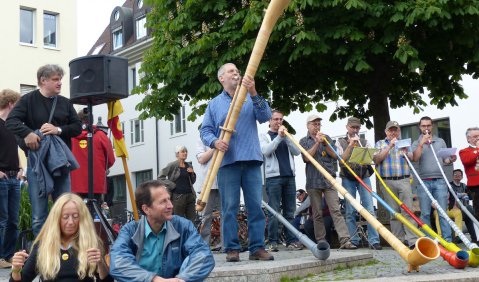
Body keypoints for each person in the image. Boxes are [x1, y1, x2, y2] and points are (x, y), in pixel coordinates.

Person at [200, 63, 273, 262]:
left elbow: (266, 116)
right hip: (228, 161)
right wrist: (215, 141)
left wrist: (253, 90)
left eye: (237, 71)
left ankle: (257, 248)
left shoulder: (250, 97)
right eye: (231, 71)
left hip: (251, 159)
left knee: (255, 207)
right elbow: (205, 130)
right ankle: (232, 248)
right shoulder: (214, 104)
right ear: (221, 78)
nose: (236, 73)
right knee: (229, 208)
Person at [6, 64, 82, 236]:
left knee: (63, 209)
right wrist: (28, 134)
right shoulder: (28, 100)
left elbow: (77, 127)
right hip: (37, 164)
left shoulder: (65, 102)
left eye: (60, 79)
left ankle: (64, 252)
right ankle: (42, 256)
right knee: (39, 215)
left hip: (61, 163)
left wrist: (58, 130)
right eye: (55, 79)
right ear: (43, 80)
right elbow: (11, 122)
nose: (60, 83)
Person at [109, 180, 214, 282]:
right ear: (146, 209)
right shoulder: (130, 231)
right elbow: (118, 262)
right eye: (163, 201)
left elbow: (203, 255)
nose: (170, 206)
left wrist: (181, 279)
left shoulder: (183, 226)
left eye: (169, 199)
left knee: (192, 260)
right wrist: (154, 279)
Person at [10, 193, 111, 281]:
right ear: (56, 219)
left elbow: (107, 280)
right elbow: (23, 279)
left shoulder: (91, 243)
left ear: (82, 219)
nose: (71, 222)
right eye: (65, 217)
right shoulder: (43, 246)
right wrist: (16, 269)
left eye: (75, 216)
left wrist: (100, 263)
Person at [299, 114, 357, 249]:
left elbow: (336, 156)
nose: (317, 127)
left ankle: (345, 240)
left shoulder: (328, 138)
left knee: (336, 210)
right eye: (314, 124)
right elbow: (306, 158)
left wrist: (325, 143)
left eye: (319, 124)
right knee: (317, 213)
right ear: (308, 126)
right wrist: (317, 143)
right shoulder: (303, 141)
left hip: (329, 180)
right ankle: (321, 241)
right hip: (313, 181)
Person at [335, 117, 381, 250]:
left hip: (363, 176)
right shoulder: (340, 142)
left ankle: (374, 240)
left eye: (357, 128)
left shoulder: (365, 142)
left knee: (369, 209)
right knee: (350, 210)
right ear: (347, 127)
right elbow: (341, 161)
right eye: (352, 127)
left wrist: (365, 152)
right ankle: (353, 240)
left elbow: (372, 158)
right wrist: (350, 146)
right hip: (347, 178)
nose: (355, 130)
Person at [259, 110, 303, 251]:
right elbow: (266, 151)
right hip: (273, 178)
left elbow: (297, 151)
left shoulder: (287, 135)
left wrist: (287, 138)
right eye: (275, 119)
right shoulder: (264, 136)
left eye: (280, 119)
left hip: (290, 176)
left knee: (290, 211)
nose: (278, 122)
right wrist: (278, 138)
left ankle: (291, 240)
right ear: (269, 121)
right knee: (274, 211)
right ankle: (273, 241)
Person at [373, 121, 418, 249]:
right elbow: (376, 160)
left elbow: (412, 158)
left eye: (395, 130)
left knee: (408, 211)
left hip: (404, 180)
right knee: (394, 212)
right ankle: (398, 241)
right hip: (387, 181)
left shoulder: (405, 143)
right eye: (390, 130)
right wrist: (389, 147)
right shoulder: (380, 144)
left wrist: (406, 152)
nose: (393, 133)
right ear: (386, 132)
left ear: (399, 131)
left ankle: (412, 240)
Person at [412, 116, 455, 242]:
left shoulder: (440, 141)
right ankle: (428, 240)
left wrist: (451, 159)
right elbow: (415, 158)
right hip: (423, 182)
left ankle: (447, 240)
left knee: (443, 212)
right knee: (425, 213)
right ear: (420, 127)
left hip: (440, 180)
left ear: (432, 126)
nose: (426, 128)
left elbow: (445, 160)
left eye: (428, 125)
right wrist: (422, 143)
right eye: (423, 126)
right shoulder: (416, 142)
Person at [0, 89, 23, 269]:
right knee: (2, 219)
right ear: (11, 104)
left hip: (15, 178)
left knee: (13, 221)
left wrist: (21, 167)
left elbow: (13, 150)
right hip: (2, 178)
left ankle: (7, 256)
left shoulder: (13, 126)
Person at [71, 109, 115, 200]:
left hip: (75, 184)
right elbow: (110, 159)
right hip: (96, 184)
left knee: (78, 212)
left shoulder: (70, 136)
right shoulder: (101, 136)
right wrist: (103, 167)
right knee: (94, 211)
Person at [196, 138, 222, 250]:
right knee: (206, 215)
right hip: (208, 184)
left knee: (225, 214)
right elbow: (201, 159)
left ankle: (226, 244)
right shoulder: (201, 140)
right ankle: (204, 244)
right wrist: (214, 146)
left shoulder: (223, 137)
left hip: (223, 182)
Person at [159, 145, 196, 221]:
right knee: (179, 221)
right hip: (178, 197)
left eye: (186, 151)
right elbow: (160, 177)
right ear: (177, 154)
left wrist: (192, 173)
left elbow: (193, 181)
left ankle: (192, 233)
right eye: (183, 151)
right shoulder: (172, 165)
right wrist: (172, 185)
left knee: (192, 220)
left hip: (190, 196)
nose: (185, 153)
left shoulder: (189, 165)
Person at [459, 127, 479, 228]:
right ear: (468, 139)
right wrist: (478, 149)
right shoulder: (464, 151)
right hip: (476, 186)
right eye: (475, 136)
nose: (478, 138)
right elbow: (467, 160)